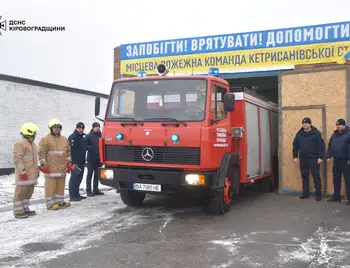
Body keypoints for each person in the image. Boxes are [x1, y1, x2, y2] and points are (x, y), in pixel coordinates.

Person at [38, 119, 72, 210]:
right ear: (51, 128)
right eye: (54, 127)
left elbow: (68, 153)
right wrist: (43, 166)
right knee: (50, 187)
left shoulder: (64, 139)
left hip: (62, 168)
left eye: (58, 127)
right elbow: (41, 154)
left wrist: (69, 164)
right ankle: (50, 204)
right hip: (51, 168)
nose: (56, 129)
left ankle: (59, 202)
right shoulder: (45, 139)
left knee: (60, 186)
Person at [292, 117, 325, 201]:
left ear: (310, 124)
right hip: (303, 159)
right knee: (304, 176)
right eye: (303, 123)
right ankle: (305, 194)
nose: (305, 125)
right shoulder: (299, 134)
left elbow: (321, 146)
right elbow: (295, 146)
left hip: (314, 159)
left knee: (316, 176)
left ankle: (318, 195)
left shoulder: (316, 133)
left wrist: (321, 157)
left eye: (306, 123)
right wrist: (295, 156)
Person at [12, 123, 40, 219]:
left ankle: (25, 208)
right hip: (24, 174)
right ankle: (18, 211)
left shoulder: (33, 145)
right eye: (35, 132)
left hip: (32, 174)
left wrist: (37, 170)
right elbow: (17, 159)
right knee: (20, 193)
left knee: (28, 193)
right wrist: (22, 171)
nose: (36, 134)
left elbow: (34, 159)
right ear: (29, 132)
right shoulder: (20, 144)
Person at [326, 118, 350, 205]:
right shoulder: (334, 135)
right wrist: (328, 156)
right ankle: (336, 197)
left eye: (340, 125)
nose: (338, 127)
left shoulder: (348, 134)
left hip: (346, 161)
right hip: (336, 160)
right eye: (337, 125)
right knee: (336, 179)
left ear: (344, 125)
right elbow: (330, 146)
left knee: (348, 180)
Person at [68, 122, 87, 201]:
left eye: (82, 128)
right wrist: (73, 163)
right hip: (75, 162)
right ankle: (72, 195)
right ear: (76, 128)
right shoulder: (73, 137)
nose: (81, 130)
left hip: (81, 161)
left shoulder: (82, 136)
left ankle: (77, 194)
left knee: (79, 178)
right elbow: (72, 151)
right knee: (74, 178)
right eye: (79, 128)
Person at [86, 122, 104, 196]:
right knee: (90, 174)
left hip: (99, 158)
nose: (97, 128)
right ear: (93, 128)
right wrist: (92, 147)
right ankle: (88, 190)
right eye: (96, 126)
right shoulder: (89, 136)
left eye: (98, 126)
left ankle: (96, 189)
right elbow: (85, 146)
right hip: (91, 158)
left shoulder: (101, 135)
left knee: (97, 175)